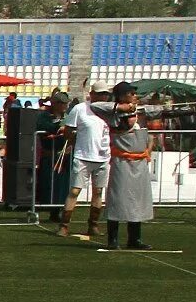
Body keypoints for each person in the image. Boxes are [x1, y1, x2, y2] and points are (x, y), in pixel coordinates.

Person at [103, 93, 159, 250]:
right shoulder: (116, 116)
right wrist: (120, 107)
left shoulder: (140, 112)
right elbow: (97, 107)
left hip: (139, 165)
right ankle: (112, 239)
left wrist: (195, 109)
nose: (135, 97)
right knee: (117, 200)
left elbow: (165, 111)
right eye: (132, 94)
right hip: (122, 164)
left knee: (137, 201)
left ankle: (134, 239)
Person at [58, 87, 112, 241]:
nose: (104, 97)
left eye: (106, 94)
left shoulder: (109, 111)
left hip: (103, 157)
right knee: (74, 191)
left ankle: (93, 225)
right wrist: (75, 142)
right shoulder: (80, 109)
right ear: (92, 94)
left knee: (98, 192)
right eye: (101, 93)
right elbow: (69, 130)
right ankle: (64, 225)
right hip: (83, 156)